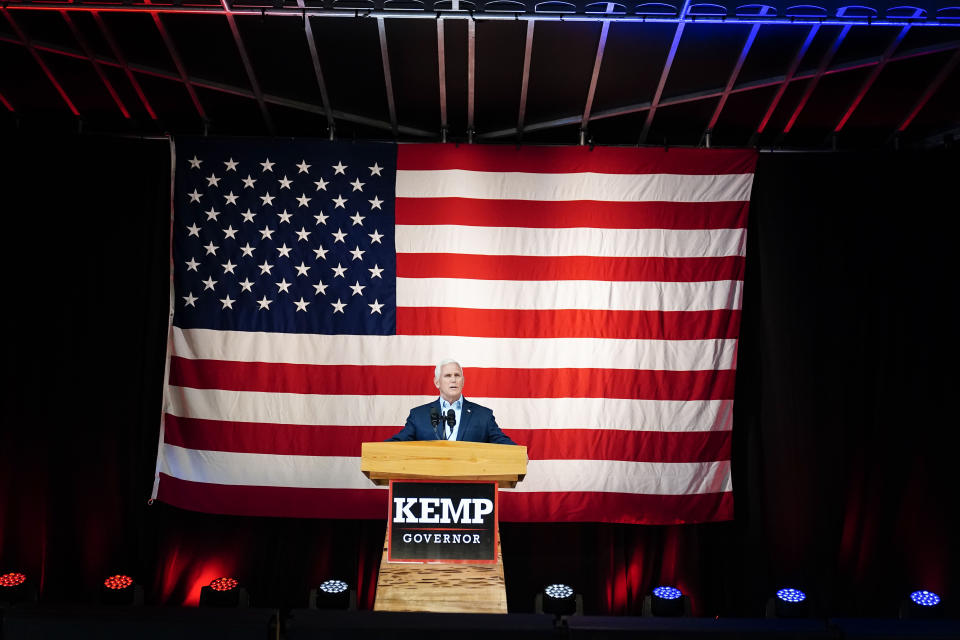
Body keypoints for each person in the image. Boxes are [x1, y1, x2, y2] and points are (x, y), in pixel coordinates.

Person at [387, 359, 517, 444]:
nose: (453, 380)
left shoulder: (483, 415)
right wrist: (375, 452)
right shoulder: (418, 415)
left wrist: (519, 453)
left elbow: (501, 440)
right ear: (437, 382)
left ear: (463, 381)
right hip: (429, 483)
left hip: (471, 483)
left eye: (457, 375)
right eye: (448, 376)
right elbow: (400, 441)